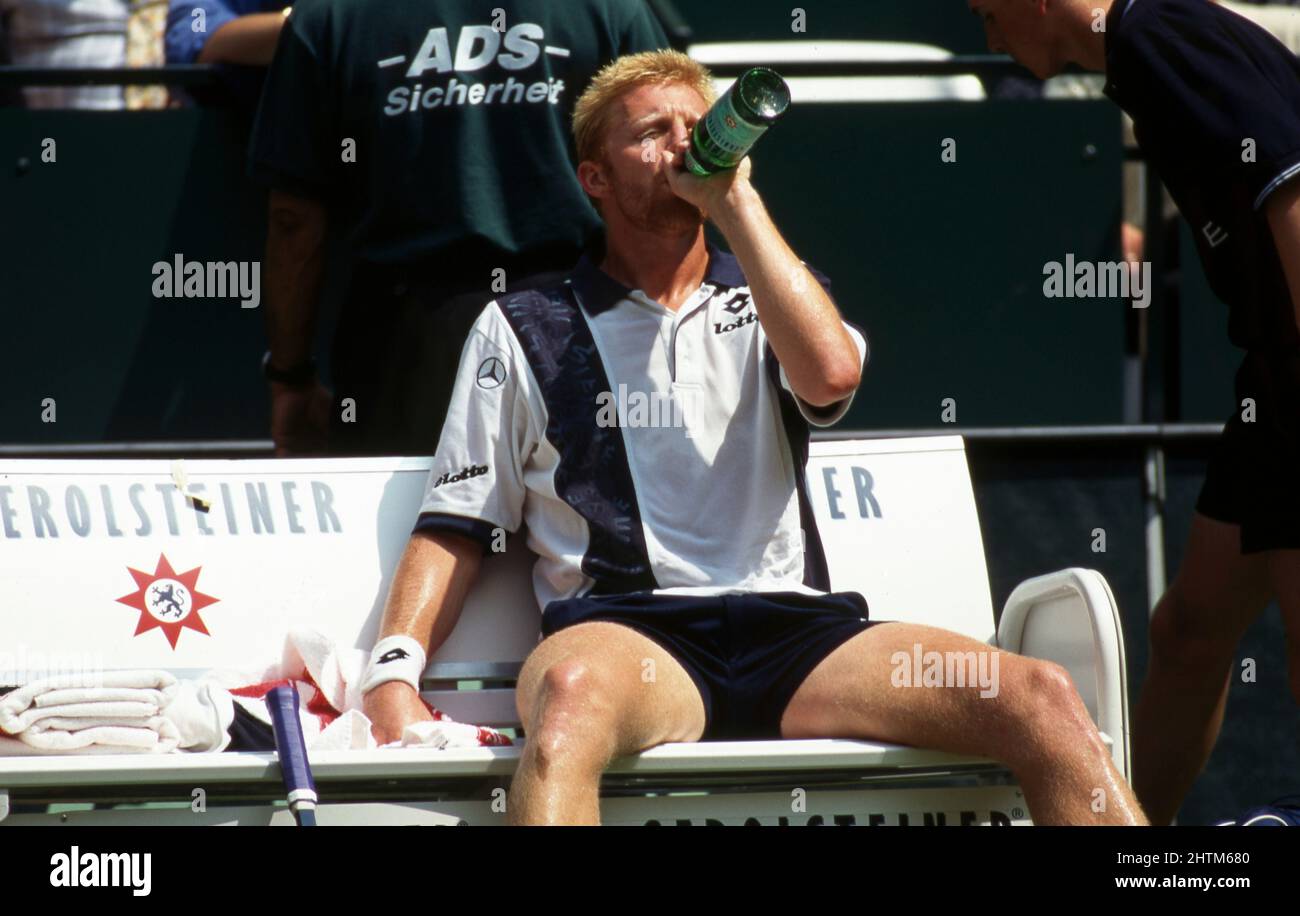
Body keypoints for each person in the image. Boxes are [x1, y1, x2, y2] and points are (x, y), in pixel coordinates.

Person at [358, 49, 1149, 826]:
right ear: (594, 178)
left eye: (696, 126)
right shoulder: (522, 324)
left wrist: (734, 203)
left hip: (800, 639)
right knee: (566, 703)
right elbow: (459, 520)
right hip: (634, 640)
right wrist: (393, 672)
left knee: (1040, 697)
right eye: (651, 132)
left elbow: (833, 375)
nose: (681, 146)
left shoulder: (769, 290)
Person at [967, 0, 1300, 825]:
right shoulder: (1144, 54)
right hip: (1272, 385)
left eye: (990, 13)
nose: (989, 37)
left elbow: (1291, 177)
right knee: (1187, 632)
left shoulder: (1156, 37)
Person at [247, 0, 668, 457]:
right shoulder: (609, 9)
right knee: (583, 521)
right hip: (578, 324)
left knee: (413, 524)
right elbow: (667, 179)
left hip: (404, 341)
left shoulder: (328, 15)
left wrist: (290, 377)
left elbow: (294, 220)